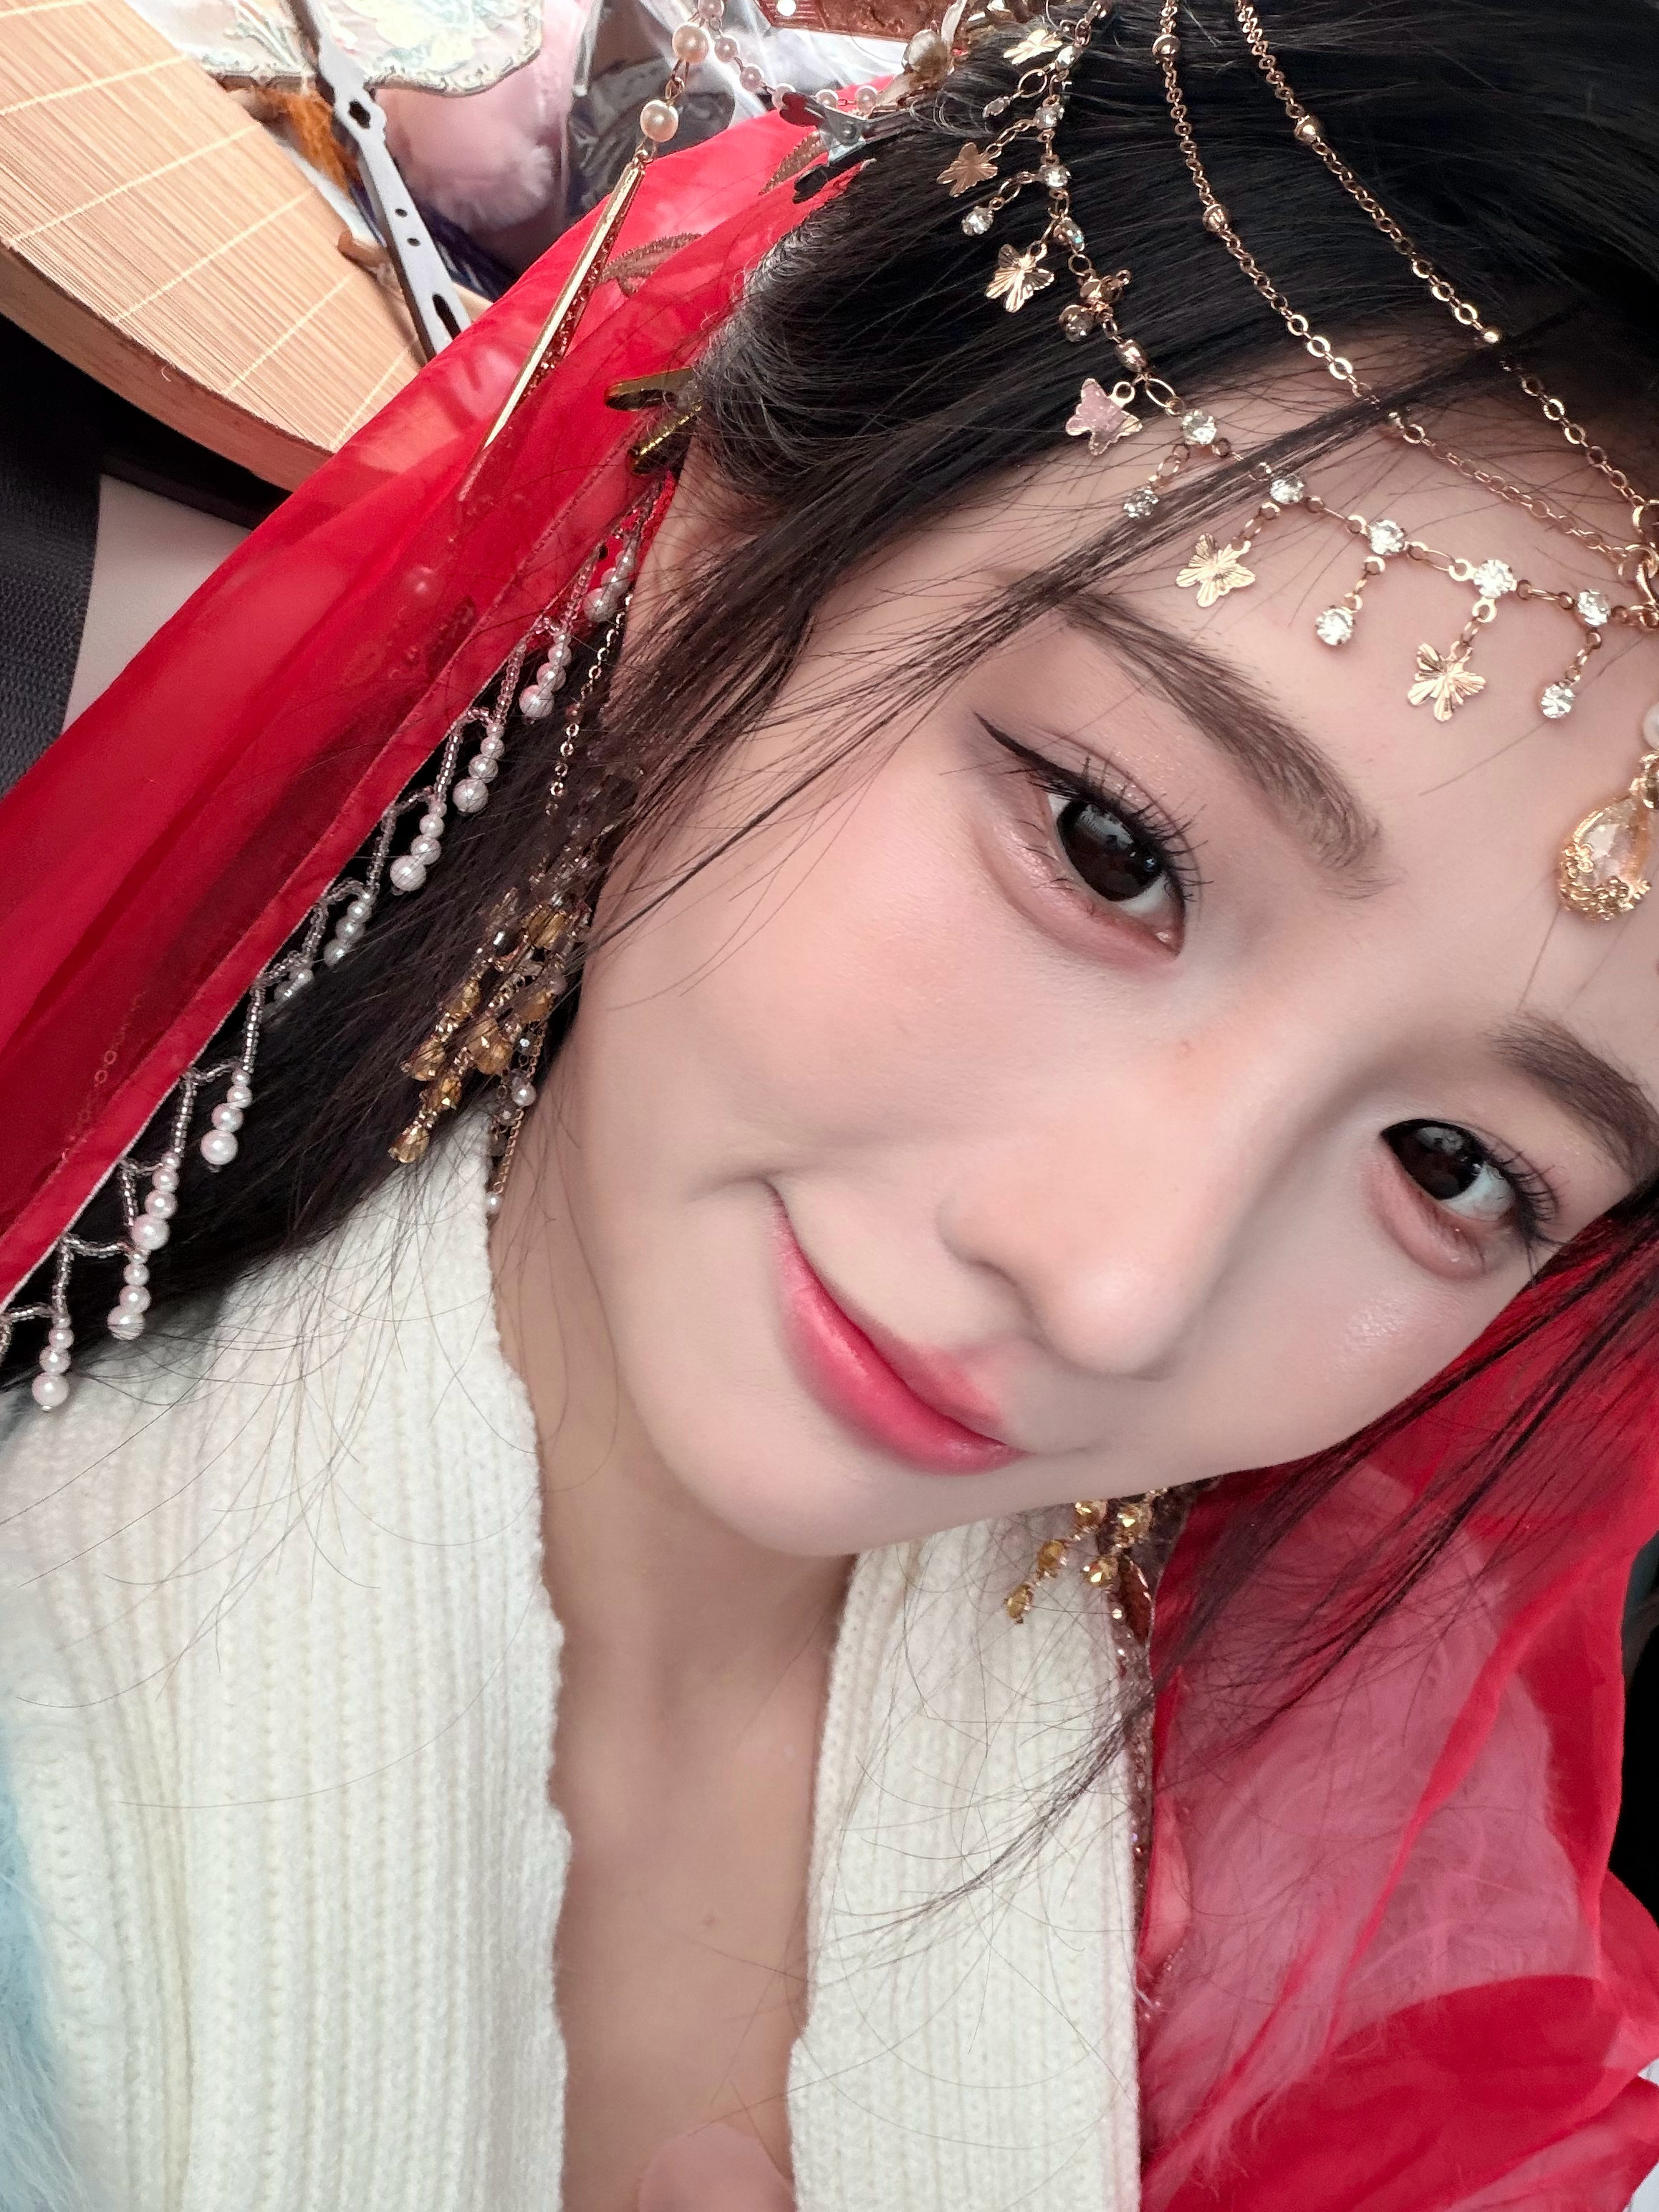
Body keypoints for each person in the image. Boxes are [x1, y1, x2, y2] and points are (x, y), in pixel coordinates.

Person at [0, 0, 1657, 2206]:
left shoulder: (1311, 1930)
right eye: (1107, 851)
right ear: (715, 559)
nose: (1116, 1286)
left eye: (1455, 1169)